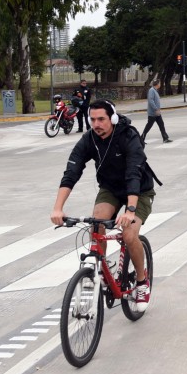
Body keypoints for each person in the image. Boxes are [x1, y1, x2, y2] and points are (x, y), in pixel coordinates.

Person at [50, 100, 156, 312]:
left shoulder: (128, 136)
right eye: (92, 119)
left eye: (101, 119)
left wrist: (130, 210)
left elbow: (134, 174)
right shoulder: (89, 139)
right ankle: (100, 267)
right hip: (110, 189)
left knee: (128, 234)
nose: (96, 124)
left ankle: (142, 282)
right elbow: (72, 172)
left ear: (113, 118)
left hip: (139, 191)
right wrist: (58, 208)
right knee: (96, 222)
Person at [141, 78, 172, 145]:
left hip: (157, 113)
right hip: (153, 113)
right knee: (148, 126)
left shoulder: (155, 90)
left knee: (161, 125)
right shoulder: (151, 90)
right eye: (159, 83)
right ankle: (141, 139)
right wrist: (156, 109)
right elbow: (151, 100)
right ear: (157, 84)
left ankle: (165, 138)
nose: (160, 84)